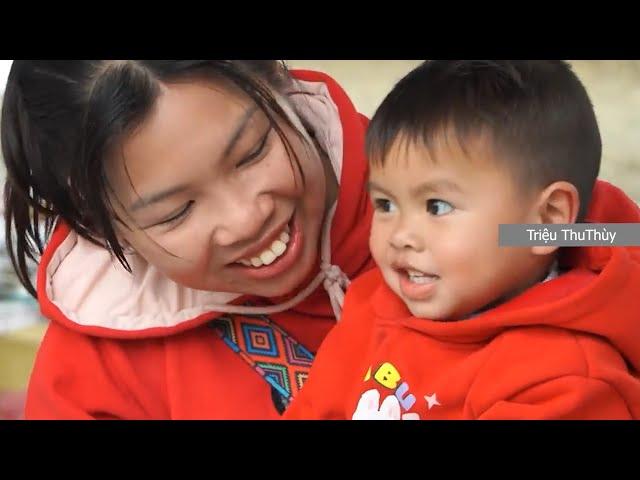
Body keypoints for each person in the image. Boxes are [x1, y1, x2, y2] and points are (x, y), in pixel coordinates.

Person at [2, 60, 375, 419]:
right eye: (176, 212)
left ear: (276, 80)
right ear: (101, 225)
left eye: (252, 153)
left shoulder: (425, 192)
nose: (245, 220)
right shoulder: (97, 376)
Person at [283, 60, 640, 420]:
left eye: (437, 206)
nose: (401, 236)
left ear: (547, 220)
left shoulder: (564, 381)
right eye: (386, 204)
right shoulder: (373, 304)